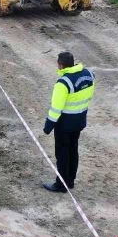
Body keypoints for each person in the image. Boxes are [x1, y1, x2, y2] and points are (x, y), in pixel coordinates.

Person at [42, 52, 95, 193]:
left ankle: (61, 185)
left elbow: (56, 108)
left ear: (60, 65)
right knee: (73, 150)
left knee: (62, 154)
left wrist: (48, 126)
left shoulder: (63, 83)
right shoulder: (88, 74)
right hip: (79, 121)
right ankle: (70, 181)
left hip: (64, 124)